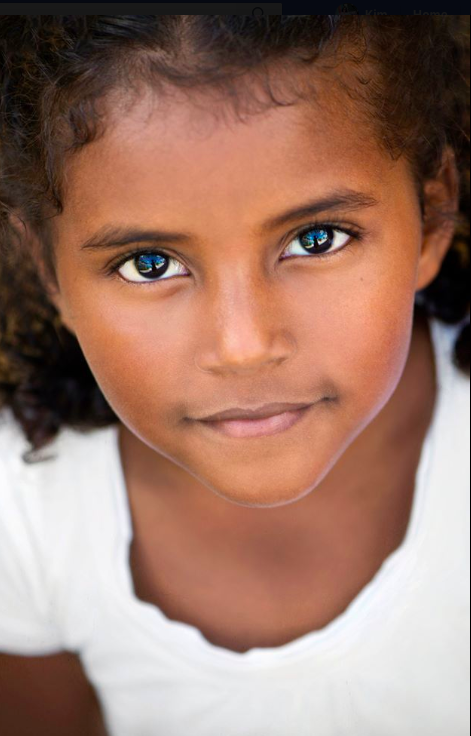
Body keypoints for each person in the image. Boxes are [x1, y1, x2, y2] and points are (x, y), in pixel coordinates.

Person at [0, 14, 469, 736]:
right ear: (48, 270)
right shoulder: (22, 517)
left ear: (431, 215)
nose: (243, 346)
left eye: (316, 239)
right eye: (149, 263)